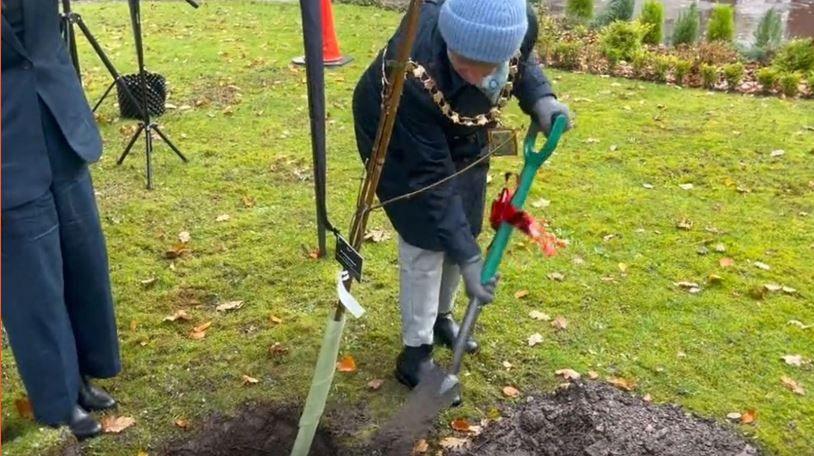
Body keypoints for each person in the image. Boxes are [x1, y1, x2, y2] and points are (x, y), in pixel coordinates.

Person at [352, 0, 571, 394]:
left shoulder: (520, 22)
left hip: (465, 127)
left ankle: (441, 318)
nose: (473, 76)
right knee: (425, 238)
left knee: (466, 221)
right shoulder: (415, 68)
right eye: (463, 61)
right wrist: (472, 262)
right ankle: (415, 353)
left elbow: (524, 63)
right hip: (399, 133)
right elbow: (432, 183)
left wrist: (542, 99)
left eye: (487, 64)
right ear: (448, 37)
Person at [2, 0, 121, 440]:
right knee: (31, 278)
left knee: (81, 252)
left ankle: (85, 372)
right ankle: (57, 397)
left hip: (58, 119)